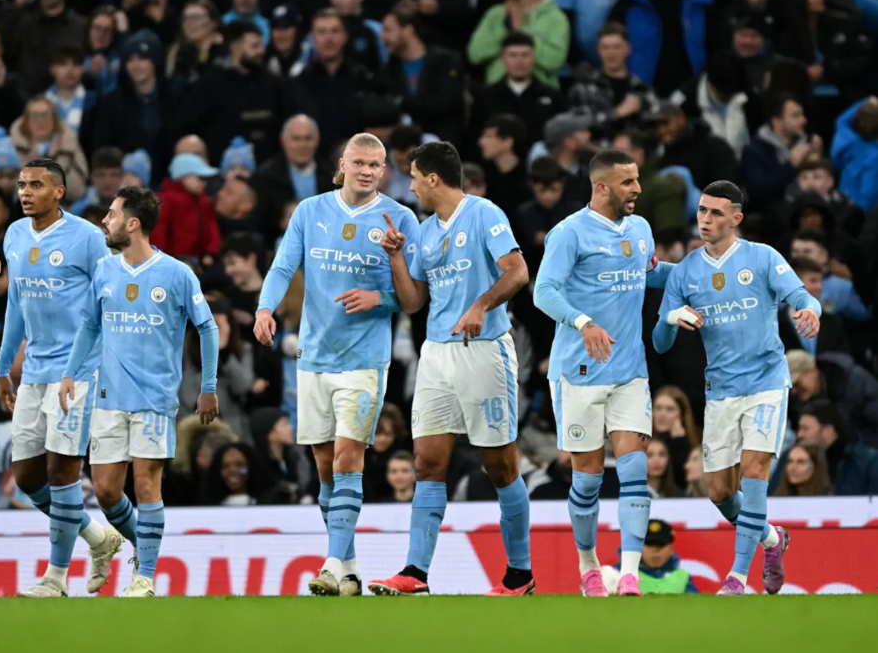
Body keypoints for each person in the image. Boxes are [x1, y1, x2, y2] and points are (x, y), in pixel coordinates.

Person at [253, 133, 419, 597]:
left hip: (364, 360)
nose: (367, 171)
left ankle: (329, 564)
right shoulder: (310, 212)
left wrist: (379, 294)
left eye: (376, 165)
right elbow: (284, 266)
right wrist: (265, 309)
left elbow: (413, 299)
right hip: (313, 359)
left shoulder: (400, 218)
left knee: (349, 457)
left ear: (385, 171)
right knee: (326, 467)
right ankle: (348, 570)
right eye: (359, 162)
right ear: (342, 164)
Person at [368, 141, 533, 596]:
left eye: (415, 176)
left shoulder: (484, 213)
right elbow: (413, 301)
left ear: (434, 178)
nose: (412, 185)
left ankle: (520, 573)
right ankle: (415, 574)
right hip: (437, 353)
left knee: (499, 465)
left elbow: (517, 271)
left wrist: (481, 304)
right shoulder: (422, 231)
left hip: (484, 349)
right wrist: (397, 258)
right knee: (427, 462)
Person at [653, 180, 820, 595]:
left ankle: (738, 577)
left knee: (754, 471)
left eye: (715, 213)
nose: (705, 219)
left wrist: (810, 312)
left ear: (736, 219)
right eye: (702, 211)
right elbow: (660, 343)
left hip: (766, 381)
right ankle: (771, 538)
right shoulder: (688, 270)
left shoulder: (762, 258)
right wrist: (671, 319)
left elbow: (802, 296)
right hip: (721, 390)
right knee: (720, 491)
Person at [59, 186, 221, 597]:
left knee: (147, 484)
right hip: (108, 396)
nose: (104, 221)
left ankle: (144, 576)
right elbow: (89, 326)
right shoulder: (105, 270)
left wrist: (208, 387)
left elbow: (208, 327)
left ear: (132, 224)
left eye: (111, 214)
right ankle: (139, 542)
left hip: (154, 398)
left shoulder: (177, 273)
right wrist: (69, 373)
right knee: (107, 490)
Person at [532, 149, 675, 597]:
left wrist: (701, 270)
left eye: (637, 180)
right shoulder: (569, 233)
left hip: (630, 369)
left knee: (635, 468)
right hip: (578, 372)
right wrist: (583, 322)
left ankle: (629, 573)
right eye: (628, 182)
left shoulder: (641, 229)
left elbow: (648, 274)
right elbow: (543, 291)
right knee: (588, 477)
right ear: (602, 187)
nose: (637, 189)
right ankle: (589, 564)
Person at [0, 159, 123, 598]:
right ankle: (96, 536)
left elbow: (111, 299)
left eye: (36, 185)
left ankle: (56, 577)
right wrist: (2, 364)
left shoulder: (88, 238)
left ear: (60, 191)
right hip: (34, 372)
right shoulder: (14, 234)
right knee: (27, 476)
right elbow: (16, 302)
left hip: (80, 371)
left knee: (63, 470)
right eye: (21, 184)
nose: (25, 192)